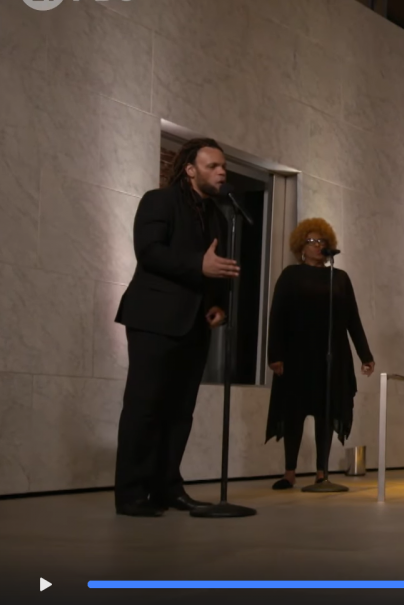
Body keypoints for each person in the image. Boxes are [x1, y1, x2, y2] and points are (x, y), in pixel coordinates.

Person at [114, 138, 241, 517]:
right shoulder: (158, 201)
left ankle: (168, 488)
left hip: (194, 323)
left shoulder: (218, 215)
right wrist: (197, 266)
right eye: (213, 166)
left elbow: (217, 271)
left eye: (223, 167)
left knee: (180, 410)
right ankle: (131, 494)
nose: (221, 172)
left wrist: (220, 304)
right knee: (145, 407)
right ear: (190, 169)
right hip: (153, 318)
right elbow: (149, 251)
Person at [265, 219, 374, 488]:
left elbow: (353, 319)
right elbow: (277, 316)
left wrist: (365, 354)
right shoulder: (290, 275)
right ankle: (289, 472)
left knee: (326, 411)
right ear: (301, 246)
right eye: (312, 241)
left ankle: (321, 472)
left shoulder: (339, 277)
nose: (318, 246)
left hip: (331, 356)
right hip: (296, 355)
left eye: (322, 242)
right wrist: (274, 354)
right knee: (294, 412)